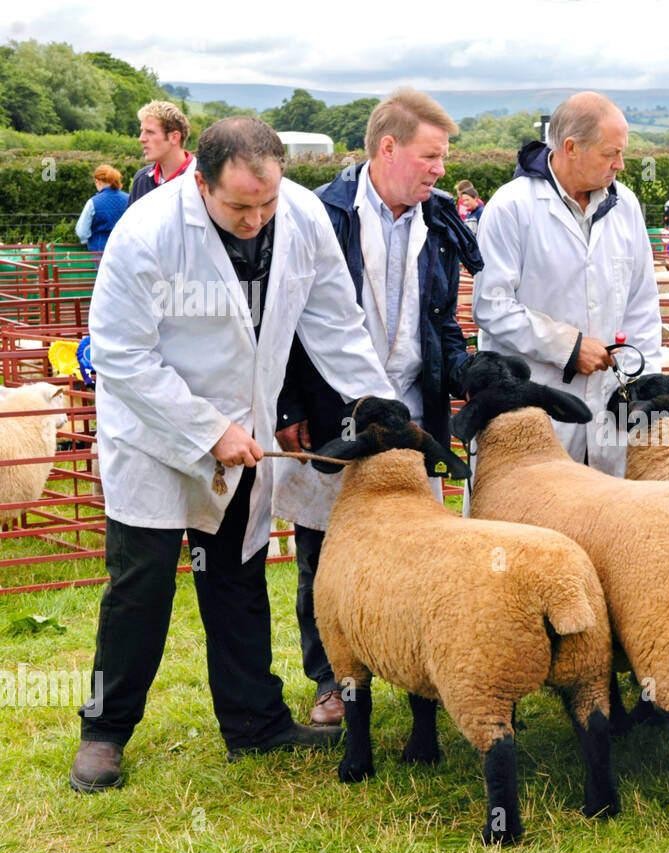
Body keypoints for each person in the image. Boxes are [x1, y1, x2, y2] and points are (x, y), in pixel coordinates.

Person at [70, 116, 397, 794]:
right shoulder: (148, 232)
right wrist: (205, 428)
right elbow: (120, 354)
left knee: (238, 580)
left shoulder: (302, 217)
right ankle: (104, 734)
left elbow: (336, 322)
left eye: (266, 202)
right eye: (239, 206)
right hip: (156, 435)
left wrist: (380, 407)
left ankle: (255, 722)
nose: (255, 218)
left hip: (244, 435)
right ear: (200, 180)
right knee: (141, 590)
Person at [273, 89, 482, 727]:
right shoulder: (322, 215)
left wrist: (465, 377)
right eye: (430, 156)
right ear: (388, 148)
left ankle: (423, 673)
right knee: (324, 548)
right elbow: (286, 318)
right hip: (334, 409)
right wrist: (286, 404)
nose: (440, 169)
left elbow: (441, 320)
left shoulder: (440, 222)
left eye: (443, 158)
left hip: (414, 415)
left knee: (420, 545)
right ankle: (331, 679)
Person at [472, 90, 661, 477]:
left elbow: (642, 304)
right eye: (611, 154)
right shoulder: (511, 207)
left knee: (607, 524)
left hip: (610, 404)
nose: (621, 165)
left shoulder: (624, 206)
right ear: (571, 148)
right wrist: (568, 347)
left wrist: (643, 387)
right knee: (531, 521)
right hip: (535, 406)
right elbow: (491, 304)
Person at [128, 100, 194, 206]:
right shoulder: (142, 179)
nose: (141, 138)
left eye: (150, 132)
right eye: (142, 131)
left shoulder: (201, 181)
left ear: (174, 137)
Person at [74, 165, 128, 252]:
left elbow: (82, 231)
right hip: (125, 249)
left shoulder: (93, 202)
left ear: (98, 181)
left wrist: (86, 241)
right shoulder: (129, 199)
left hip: (100, 250)